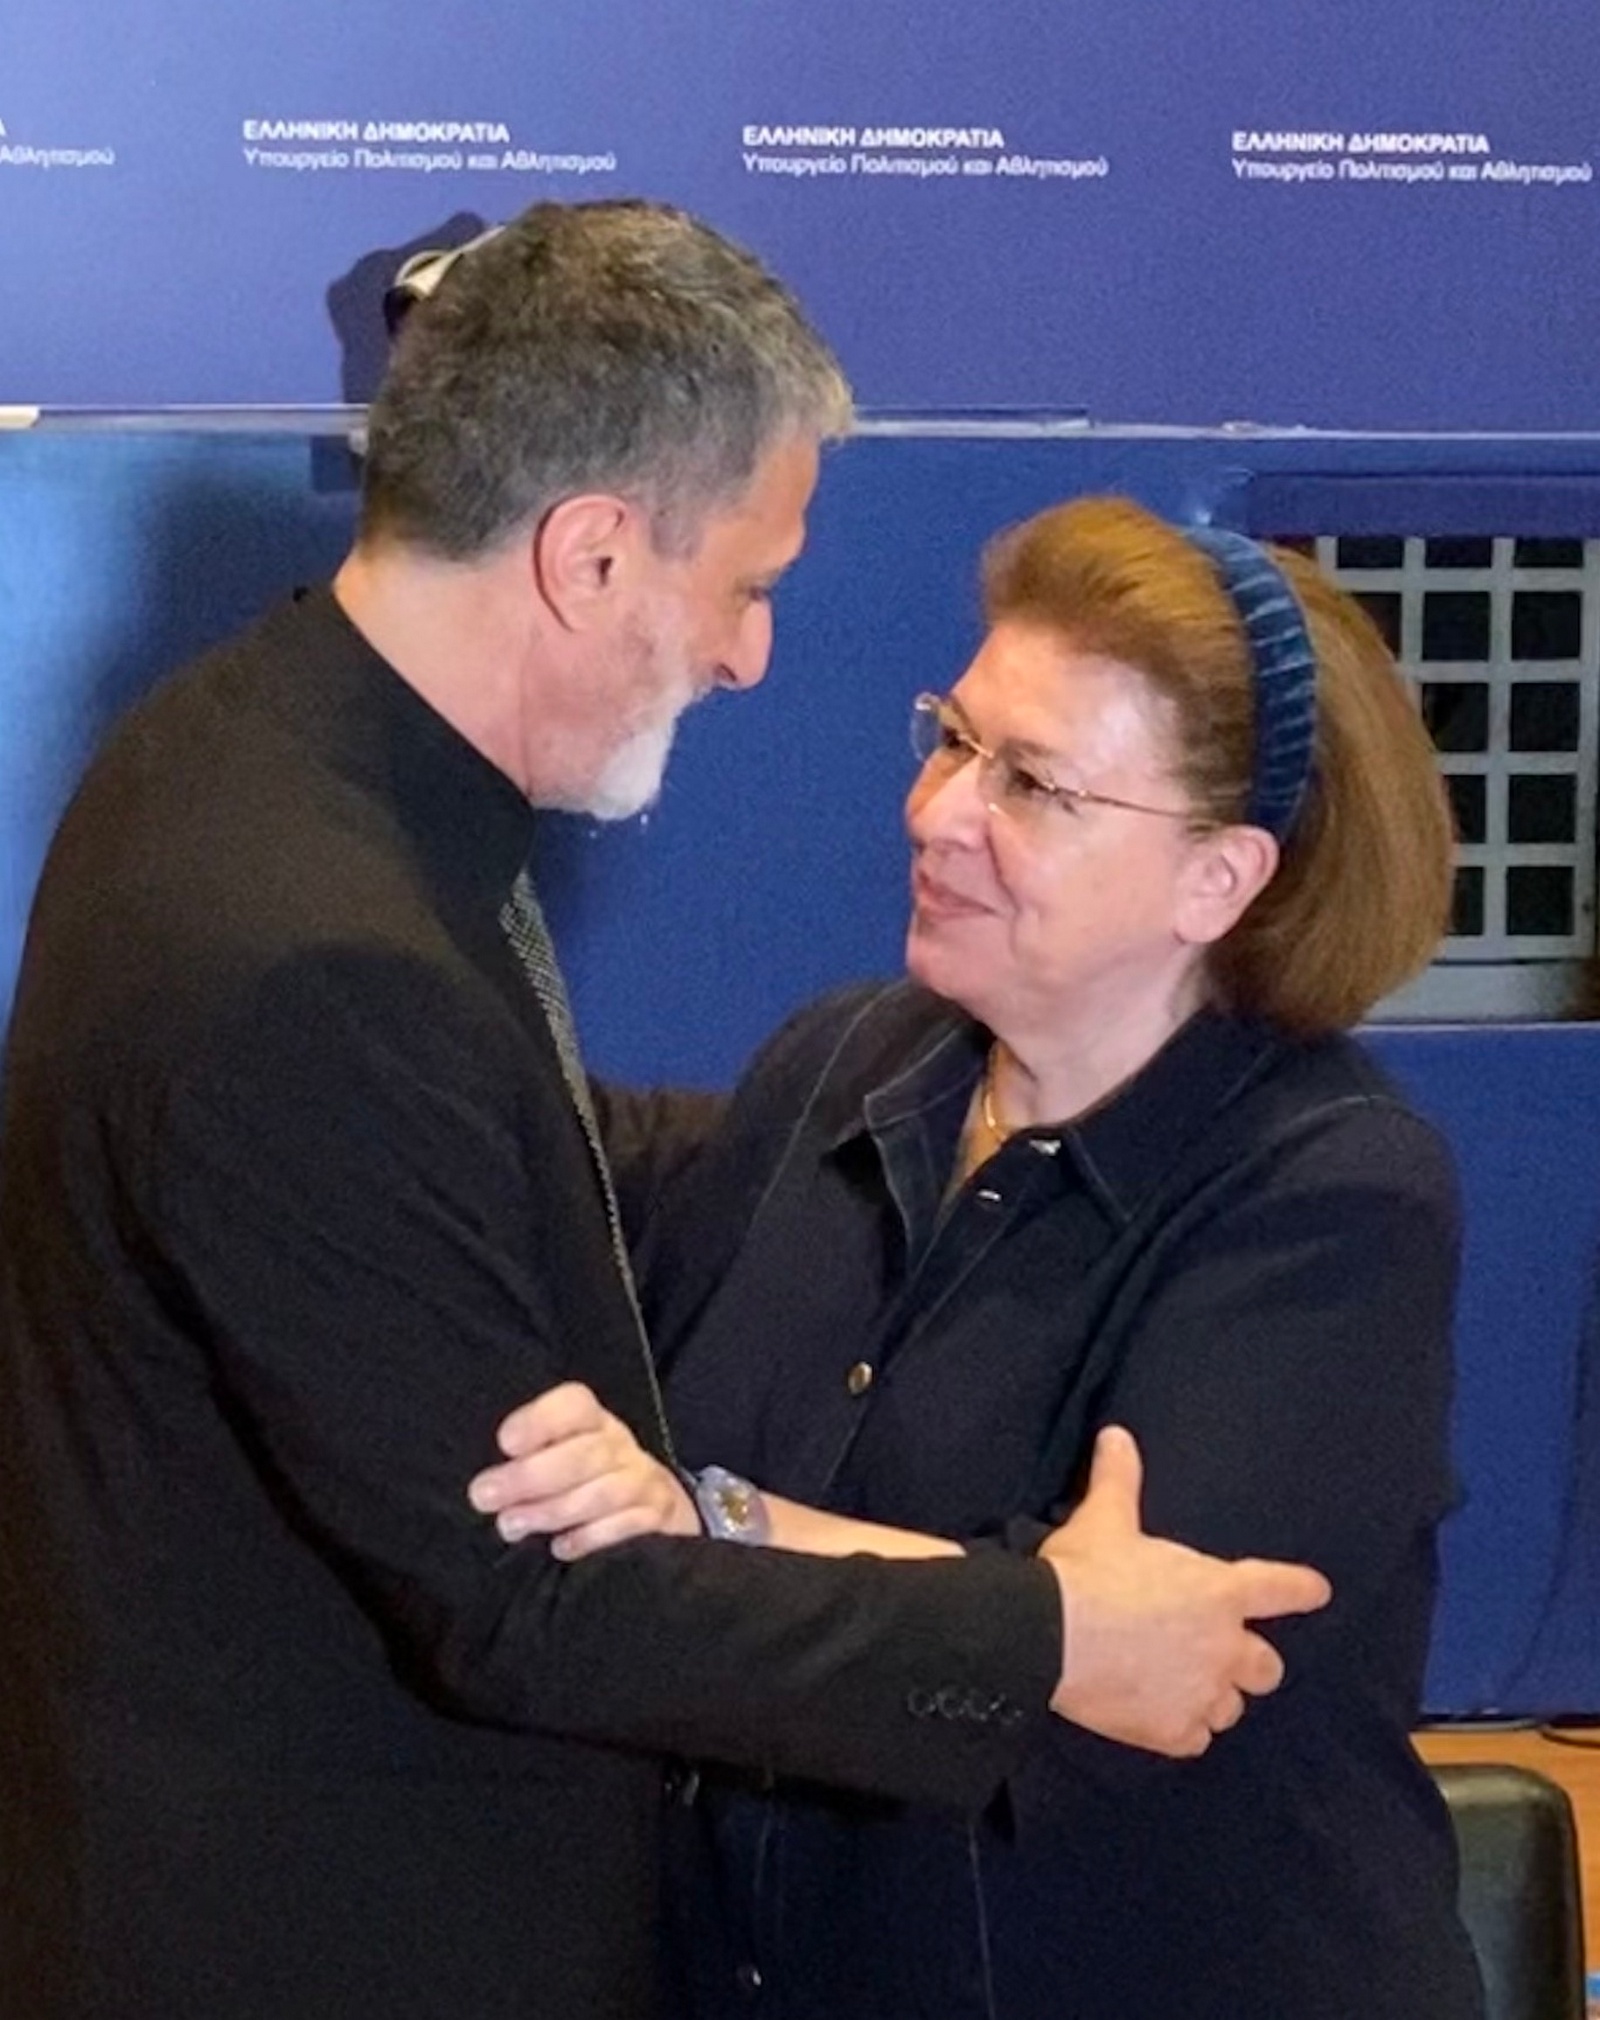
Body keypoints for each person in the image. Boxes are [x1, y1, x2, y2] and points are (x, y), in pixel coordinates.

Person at [0, 209, 1328, 2020]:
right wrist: (1051, 1636)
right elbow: (534, 1608)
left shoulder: (253, 754)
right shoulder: (321, 955)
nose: (752, 656)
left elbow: (484, 1132)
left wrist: (895, 1140)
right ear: (596, 554)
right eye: (749, 586)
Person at [471, 497, 1486, 2018]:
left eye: (1035, 785)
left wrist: (702, 1523)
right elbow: (1049, 1627)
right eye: (953, 740)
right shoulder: (847, 1066)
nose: (939, 812)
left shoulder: (1332, 1197)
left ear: (1219, 880)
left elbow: (1119, 1685)